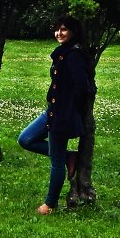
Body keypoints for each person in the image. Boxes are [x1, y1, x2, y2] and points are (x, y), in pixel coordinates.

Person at [17, 16, 91, 215]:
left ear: (73, 31)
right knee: (25, 139)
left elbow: (83, 88)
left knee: (55, 164)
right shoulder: (63, 53)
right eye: (57, 29)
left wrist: (67, 111)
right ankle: (69, 156)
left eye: (64, 29)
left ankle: (50, 205)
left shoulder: (74, 55)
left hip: (62, 115)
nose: (59, 33)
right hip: (52, 110)